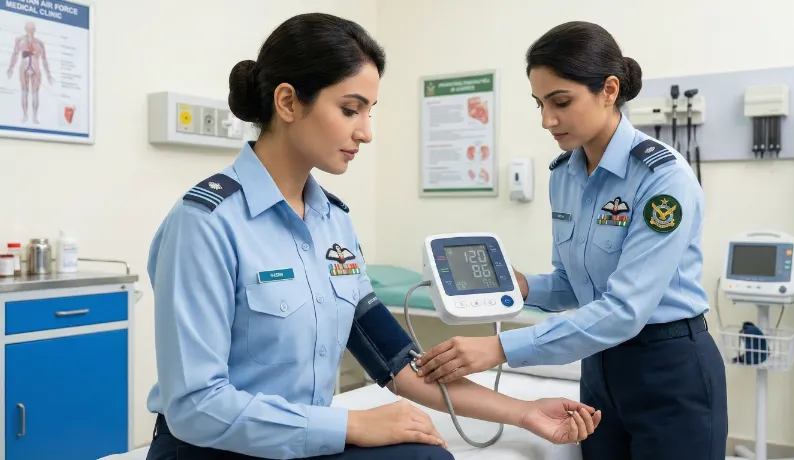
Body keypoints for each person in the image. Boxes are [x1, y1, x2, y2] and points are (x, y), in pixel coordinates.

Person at [144, 13, 601, 460]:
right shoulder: (206, 223)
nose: (365, 132)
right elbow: (195, 405)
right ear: (287, 103)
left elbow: (397, 361)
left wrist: (524, 413)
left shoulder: (332, 223)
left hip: (300, 444)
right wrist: (352, 424)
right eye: (349, 109)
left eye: (369, 111)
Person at [415, 21, 728, 460]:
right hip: (598, 364)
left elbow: (624, 308)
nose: (547, 120)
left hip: (669, 368)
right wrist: (523, 287)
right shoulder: (564, 176)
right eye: (540, 103)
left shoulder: (662, 179)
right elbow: (573, 284)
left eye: (560, 102)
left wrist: (499, 348)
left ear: (609, 90)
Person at [6, 21, 53, 124]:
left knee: (35, 94)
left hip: (36, 69)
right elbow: (15, 54)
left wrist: (48, 73)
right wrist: (11, 68)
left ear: (34, 30)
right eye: (28, 29)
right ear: (25, 29)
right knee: (24, 92)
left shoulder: (40, 43)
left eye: (31, 29)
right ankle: (25, 115)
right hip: (24, 68)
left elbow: (44, 59)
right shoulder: (19, 40)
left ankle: (35, 117)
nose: (30, 31)